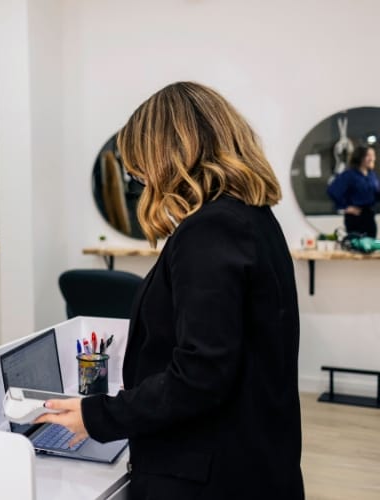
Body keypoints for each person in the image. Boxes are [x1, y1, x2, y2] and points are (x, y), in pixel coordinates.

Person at [36, 82, 304, 499]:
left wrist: (99, 415)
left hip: (208, 474)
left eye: (140, 162)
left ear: (169, 151)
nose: (138, 175)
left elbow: (200, 375)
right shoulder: (253, 219)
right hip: (253, 459)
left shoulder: (211, 230)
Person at [326, 144, 379, 237]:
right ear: (360, 158)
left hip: (369, 216)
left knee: (371, 245)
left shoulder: (372, 175)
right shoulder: (349, 175)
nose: (372, 158)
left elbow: (375, 194)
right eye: (369, 155)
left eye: (373, 155)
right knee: (356, 247)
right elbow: (333, 191)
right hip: (355, 217)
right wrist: (345, 207)